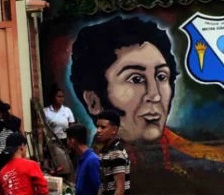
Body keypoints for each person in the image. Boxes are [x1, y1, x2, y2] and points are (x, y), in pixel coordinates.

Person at [70, 16, 177, 145]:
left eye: (161, 76)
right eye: (136, 79)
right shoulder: (96, 160)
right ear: (94, 102)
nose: (155, 96)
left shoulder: (194, 154)